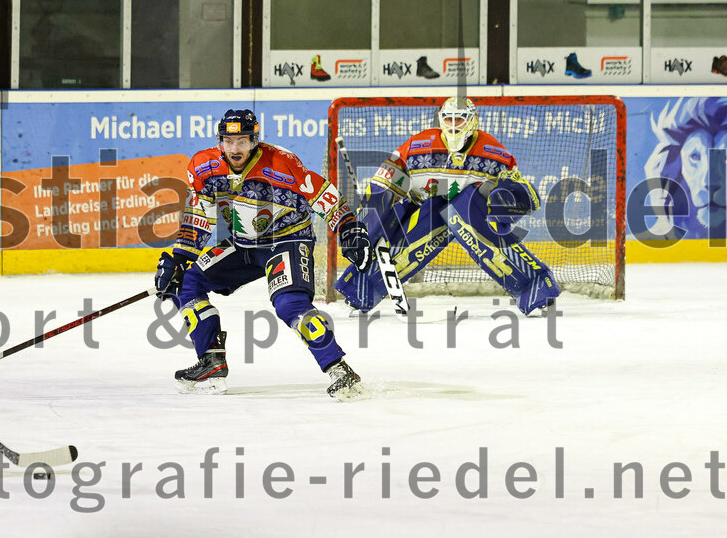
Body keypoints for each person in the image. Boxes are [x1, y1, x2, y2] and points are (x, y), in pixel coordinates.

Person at [154, 109, 372, 401]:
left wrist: (348, 228)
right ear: (220, 141)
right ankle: (211, 362)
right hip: (244, 244)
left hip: (288, 239)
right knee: (188, 283)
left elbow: (324, 195)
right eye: (228, 141)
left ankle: (339, 369)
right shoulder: (203, 166)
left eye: (242, 141)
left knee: (289, 304)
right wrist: (180, 257)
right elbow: (198, 217)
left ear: (254, 140)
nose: (235, 148)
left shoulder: (282, 163)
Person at [335, 97, 561, 316]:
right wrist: (365, 229)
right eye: (449, 119)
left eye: (459, 119)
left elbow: (519, 191)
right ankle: (360, 288)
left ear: (472, 121)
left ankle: (535, 285)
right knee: (432, 212)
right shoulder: (417, 148)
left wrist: (508, 200)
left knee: (460, 206)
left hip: (468, 210)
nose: (453, 125)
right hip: (420, 207)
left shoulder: (493, 154)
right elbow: (384, 188)